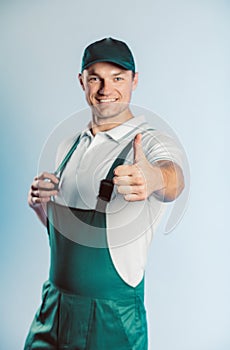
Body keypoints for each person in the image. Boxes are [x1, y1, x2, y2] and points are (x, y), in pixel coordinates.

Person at [24, 37, 185, 349]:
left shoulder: (150, 143)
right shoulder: (67, 147)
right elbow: (72, 234)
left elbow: (174, 179)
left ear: (134, 81)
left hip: (112, 318)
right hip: (53, 307)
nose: (105, 90)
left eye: (118, 78)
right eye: (95, 77)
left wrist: (152, 178)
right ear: (81, 81)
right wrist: (40, 207)